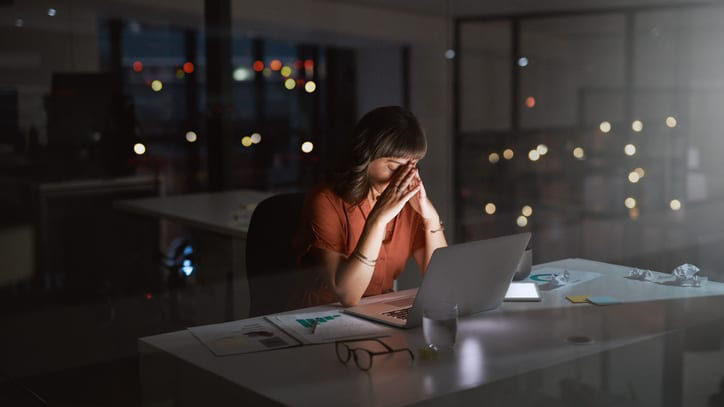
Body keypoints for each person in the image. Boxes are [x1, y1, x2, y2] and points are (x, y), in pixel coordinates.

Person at [292, 106, 448, 307]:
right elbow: (347, 295)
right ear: (366, 156)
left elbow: (441, 281)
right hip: (321, 318)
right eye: (394, 167)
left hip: (377, 312)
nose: (405, 176)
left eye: (412, 166)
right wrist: (379, 219)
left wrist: (430, 217)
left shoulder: (410, 206)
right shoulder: (325, 201)